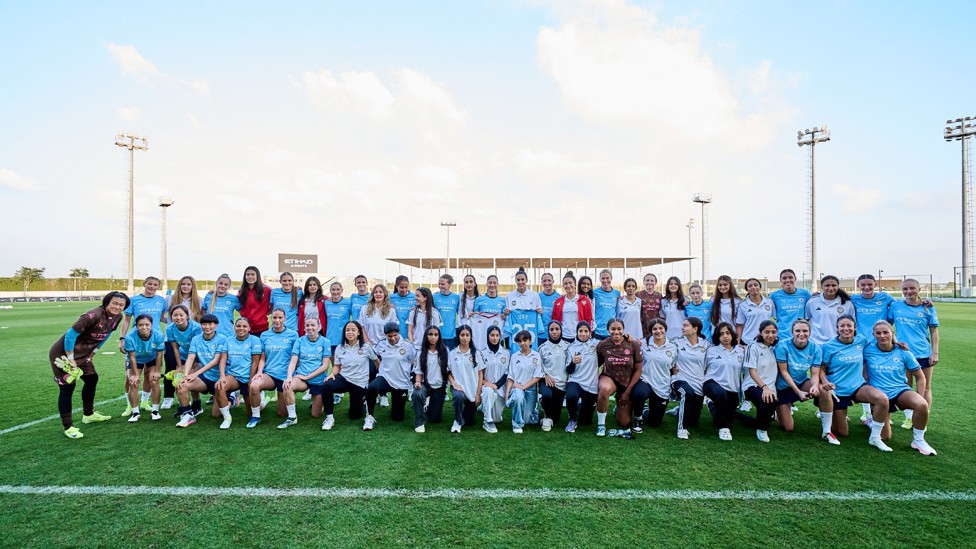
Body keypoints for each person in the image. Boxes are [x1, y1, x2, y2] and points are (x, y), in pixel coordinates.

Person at [49, 291, 129, 438]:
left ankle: (88, 415)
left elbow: (108, 334)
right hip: (63, 354)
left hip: (84, 354)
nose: (117, 307)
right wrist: (71, 358)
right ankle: (68, 427)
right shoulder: (92, 315)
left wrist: (93, 353)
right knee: (68, 387)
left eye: (121, 305)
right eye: (114, 303)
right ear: (107, 302)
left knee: (92, 378)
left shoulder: (118, 317)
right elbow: (70, 335)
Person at [864, 320, 937, 455]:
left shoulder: (904, 352)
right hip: (879, 395)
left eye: (886, 332)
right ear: (873, 335)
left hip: (899, 390)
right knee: (885, 437)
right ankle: (872, 420)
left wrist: (919, 397)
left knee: (921, 405)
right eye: (878, 333)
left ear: (893, 333)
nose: (882, 336)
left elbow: (920, 377)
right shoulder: (867, 350)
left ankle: (918, 440)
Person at [816, 315, 889, 448]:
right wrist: (825, 381)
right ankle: (828, 413)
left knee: (882, 399)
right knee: (842, 432)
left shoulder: (861, 340)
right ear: (837, 328)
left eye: (849, 325)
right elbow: (821, 368)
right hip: (837, 390)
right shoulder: (828, 346)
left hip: (858, 386)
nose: (846, 328)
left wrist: (897, 344)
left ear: (855, 328)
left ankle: (875, 437)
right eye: (842, 326)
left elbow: (879, 345)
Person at [888, 278, 939, 429]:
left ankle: (923, 416)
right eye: (905, 289)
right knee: (906, 386)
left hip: (923, 353)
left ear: (919, 289)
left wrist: (935, 353)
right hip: (903, 353)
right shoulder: (896, 306)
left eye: (912, 288)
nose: (908, 292)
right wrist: (894, 342)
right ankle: (910, 418)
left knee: (926, 386)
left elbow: (934, 332)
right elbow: (887, 326)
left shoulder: (928, 308)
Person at [118, 276, 167, 416]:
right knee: (130, 377)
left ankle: (145, 401)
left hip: (154, 340)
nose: (152, 287)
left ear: (158, 287)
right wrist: (122, 338)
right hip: (136, 341)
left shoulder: (160, 300)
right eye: (149, 284)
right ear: (144, 284)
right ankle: (130, 405)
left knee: (149, 375)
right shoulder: (134, 300)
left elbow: (162, 317)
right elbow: (127, 320)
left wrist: (176, 321)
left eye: (155, 285)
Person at [773, 319, 826, 438]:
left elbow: (814, 374)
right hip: (782, 387)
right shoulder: (783, 345)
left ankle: (827, 428)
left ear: (810, 333)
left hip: (801, 382)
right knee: (788, 428)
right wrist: (798, 392)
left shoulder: (815, 348)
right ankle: (777, 409)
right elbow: (784, 372)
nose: (801, 334)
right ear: (792, 332)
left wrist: (814, 386)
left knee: (823, 391)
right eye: (798, 331)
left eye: (805, 331)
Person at [174, 314, 229, 428]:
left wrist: (196, 373)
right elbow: (190, 357)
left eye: (210, 324)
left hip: (220, 378)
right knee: (182, 386)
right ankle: (188, 415)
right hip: (206, 377)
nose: (207, 327)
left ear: (216, 325)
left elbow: (215, 361)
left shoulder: (222, 339)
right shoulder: (196, 339)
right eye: (204, 324)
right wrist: (185, 376)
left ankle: (231, 398)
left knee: (216, 414)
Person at [321, 321, 377, 431]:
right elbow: (337, 366)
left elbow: (376, 361)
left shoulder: (366, 347)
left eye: (353, 330)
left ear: (359, 332)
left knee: (354, 415)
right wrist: (332, 374)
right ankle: (329, 418)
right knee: (327, 385)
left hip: (359, 382)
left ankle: (363, 403)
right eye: (347, 330)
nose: (350, 332)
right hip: (344, 379)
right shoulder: (340, 348)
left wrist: (378, 376)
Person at [278, 317, 332, 429]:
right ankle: (292, 417)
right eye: (307, 325)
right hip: (301, 378)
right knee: (287, 386)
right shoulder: (299, 341)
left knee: (315, 414)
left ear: (319, 326)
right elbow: (293, 361)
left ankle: (317, 401)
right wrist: (289, 377)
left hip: (317, 380)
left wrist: (308, 377)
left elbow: (325, 366)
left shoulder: (325, 342)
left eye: (313, 325)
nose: (310, 328)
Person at [595, 318, 643, 437]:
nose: (616, 332)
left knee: (624, 423)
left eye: (619, 329)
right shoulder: (603, 345)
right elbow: (595, 364)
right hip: (610, 378)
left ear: (623, 330)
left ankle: (618, 408)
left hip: (626, 382)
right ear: (608, 330)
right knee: (604, 389)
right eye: (613, 329)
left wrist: (627, 392)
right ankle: (601, 425)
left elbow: (638, 369)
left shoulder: (633, 344)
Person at [251, 309, 299, 423]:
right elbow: (263, 357)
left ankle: (266, 401)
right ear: (271, 318)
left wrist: (291, 376)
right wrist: (259, 372)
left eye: (280, 318)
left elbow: (295, 358)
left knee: (281, 414)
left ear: (285, 318)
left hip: (285, 376)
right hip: (270, 374)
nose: (277, 320)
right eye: (274, 317)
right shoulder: (264, 335)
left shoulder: (293, 335)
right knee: (254, 385)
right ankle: (255, 416)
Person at [366, 322, 417, 429]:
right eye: (389, 336)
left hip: (401, 382)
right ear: (385, 335)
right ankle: (369, 416)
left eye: (395, 335)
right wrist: (378, 369)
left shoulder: (407, 345)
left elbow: (414, 361)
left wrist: (411, 376)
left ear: (398, 333)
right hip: (385, 378)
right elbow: (374, 355)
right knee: (372, 388)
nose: (393, 338)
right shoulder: (381, 344)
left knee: (397, 418)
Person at [161, 276, 202, 408]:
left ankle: (196, 401)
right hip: (175, 338)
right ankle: (168, 397)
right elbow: (160, 314)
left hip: (192, 341)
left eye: (188, 284)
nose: (185, 286)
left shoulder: (198, 301)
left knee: (192, 370)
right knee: (172, 367)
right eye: (183, 284)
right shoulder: (169, 299)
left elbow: (202, 317)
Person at [702, 322, 744, 441]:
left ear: (732, 334)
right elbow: (702, 368)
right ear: (717, 337)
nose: (725, 336)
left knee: (722, 416)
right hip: (712, 383)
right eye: (721, 334)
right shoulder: (711, 350)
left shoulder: (741, 351)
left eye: (727, 333)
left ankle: (711, 404)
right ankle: (724, 429)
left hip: (732, 389)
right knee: (720, 396)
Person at [218, 317, 263, 429]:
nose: (241, 328)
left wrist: (250, 380)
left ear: (249, 328)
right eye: (238, 326)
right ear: (234, 327)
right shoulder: (228, 340)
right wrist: (222, 377)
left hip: (248, 376)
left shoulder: (255, 340)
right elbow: (223, 359)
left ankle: (261, 403)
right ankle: (227, 418)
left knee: (250, 413)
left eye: (244, 326)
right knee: (219, 387)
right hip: (234, 376)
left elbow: (255, 363)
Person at [633, 319, 676, 433]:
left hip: (662, 383)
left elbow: (673, 366)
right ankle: (638, 418)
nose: (658, 331)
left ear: (665, 329)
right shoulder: (642, 343)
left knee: (654, 423)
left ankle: (645, 410)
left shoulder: (672, 347)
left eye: (660, 328)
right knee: (639, 394)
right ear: (651, 331)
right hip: (645, 379)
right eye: (655, 329)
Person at [671, 317, 711, 440]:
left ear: (695, 329)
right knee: (687, 393)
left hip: (698, 383)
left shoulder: (706, 344)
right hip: (680, 379)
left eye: (686, 325)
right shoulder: (676, 342)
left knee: (693, 422)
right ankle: (682, 429)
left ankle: (679, 410)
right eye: (683, 325)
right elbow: (664, 351)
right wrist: (672, 368)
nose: (682, 328)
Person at [740, 320, 779, 442]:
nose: (770, 335)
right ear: (760, 333)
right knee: (769, 401)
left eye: (773, 332)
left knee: (768, 415)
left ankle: (735, 415)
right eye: (767, 332)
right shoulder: (753, 346)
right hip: (752, 385)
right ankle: (762, 430)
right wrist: (764, 387)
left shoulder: (776, 348)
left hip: (770, 388)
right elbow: (752, 371)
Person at [123, 314, 166, 422]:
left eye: (147, 324)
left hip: (152, 358)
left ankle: (155, 411)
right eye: (140, 325)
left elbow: (159, 354)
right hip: (136, 359)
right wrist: (136, 375)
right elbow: (132, 357)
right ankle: (135, 412)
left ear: (151, 325)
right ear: (136, 326)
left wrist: (157, 371)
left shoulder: (158, 335)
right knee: (133, 382)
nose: (144, 327)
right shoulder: (129, 337)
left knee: (154, 381)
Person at [411, 326, 450, 433]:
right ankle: (419, 422)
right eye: (430, 334)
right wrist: (418, 382)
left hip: (439, 386)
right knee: (417, 393)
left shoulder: (445, 351)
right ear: (426, 336)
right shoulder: (421, 352)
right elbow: (418, 372)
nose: (433, 337)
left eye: (435, 335)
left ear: (439, 337)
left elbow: (449, 371)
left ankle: (427, 405)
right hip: (425, 385)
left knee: (435, 419)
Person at [447, 325, 484, 433]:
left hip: (472, 390)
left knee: (470, 421)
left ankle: (470, 410)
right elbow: (448, 372)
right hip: (459, 388)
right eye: (462, 335)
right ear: (458, 336)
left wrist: (478, 393)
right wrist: (454, 384)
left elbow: (480, 373)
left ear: (471, 337)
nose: (465, 338)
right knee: (458, 396)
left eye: (467, 335)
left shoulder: (476, 353)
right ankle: (457, 422)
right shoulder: (453, 353)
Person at [506, 330, 543, 434]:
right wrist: (506, 395)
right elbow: (511, 377)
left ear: (530, 341)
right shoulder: (514, 356)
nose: (522, 343)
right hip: (517, 388)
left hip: (530, 390)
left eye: (525, 340)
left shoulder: (536, 356)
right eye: (520, 341)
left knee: (527, 421)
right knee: (518, 396)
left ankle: (534, 410)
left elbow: (537, 376)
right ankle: (516, 425)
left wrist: (524, 387)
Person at [565, 321, 598, 432]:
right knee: (571, 396)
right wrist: (573, 362)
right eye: (580, 331)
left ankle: (580, 407)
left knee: (586, 421)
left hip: (591, 385)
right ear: (577, 332)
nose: (583, 334)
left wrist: (627, 336)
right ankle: (572, 418)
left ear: (590, 332)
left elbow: (612, 342)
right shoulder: (571, 347)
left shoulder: (596, 344)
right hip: (576, 381)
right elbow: (569, 370)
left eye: (586, 331)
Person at [538, 321, 570, 431]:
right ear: (548, 331)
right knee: (547, 396)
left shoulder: (567, 347)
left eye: (557, 329)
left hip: (561, 384)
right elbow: (538, 366)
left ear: (561, 331)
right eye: (551, 330)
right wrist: (545, 375)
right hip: (547, 382)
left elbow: (570, 366)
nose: (554, 332)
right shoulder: (543, 347)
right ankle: (545, 412)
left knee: (555, 420)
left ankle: (547, 408)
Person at [805, 275, 854, 344]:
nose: (830, 288)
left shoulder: (847, 304)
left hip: (838, 343)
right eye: (827, 285)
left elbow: (852, 324)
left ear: (838, 286)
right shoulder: (812, 302)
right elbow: (806, 321)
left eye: (834, 285)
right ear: (822, 287)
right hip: (815, 343)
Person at [477, 325, 508, 433]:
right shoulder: (481, 353)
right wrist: (485, 382)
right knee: (488, 391)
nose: (494, 338)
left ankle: (483, 407)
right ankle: (487, 421)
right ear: (487, 336)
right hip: (486, 387)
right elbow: (478, 372)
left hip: (500, 389)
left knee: (497, 419)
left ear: (500, 337)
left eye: (497, 335)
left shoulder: (506, 353)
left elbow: (508, 373)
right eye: (492, 335)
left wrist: (497, 385)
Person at [504, 267, 543, 349]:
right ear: (515, 281)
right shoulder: (509, 296)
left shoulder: (534, 295)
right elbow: (506, 317)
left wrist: (539, 312)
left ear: (526, 280)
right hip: (515, 338)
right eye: (518, 280)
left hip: (531, 336)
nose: (520, 282)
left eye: (522, 279)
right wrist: (506, 313)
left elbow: (539, 314)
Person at [551, 271, 593, 343]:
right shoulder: (558, 301)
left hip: (579, 336)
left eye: (570, 283)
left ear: (575, 284)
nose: (568, 285)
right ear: (563, 286)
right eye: (565, 283)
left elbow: (589, 319)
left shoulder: (585, 300)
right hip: (563, 337)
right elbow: (554, 320)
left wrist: (587, 334)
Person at [769, 268, 811, 333]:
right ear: (780, 280)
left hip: (800, 334)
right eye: (784, 278)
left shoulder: (805, 294)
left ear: (795, 279)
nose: (788, 280)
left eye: (790, 277)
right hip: (782, 334)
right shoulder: (774, 296)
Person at [735, 278, 774, 344]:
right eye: (750, 286)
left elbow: (775, 320)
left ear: (760, 287)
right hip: (748, 341)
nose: (753, 287)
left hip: (765, 340)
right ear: (747, 289)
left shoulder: (769, 302)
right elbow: (739, 325)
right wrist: (738, 343)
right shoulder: (743, 305)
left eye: (756, 285)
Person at [202, 274, 241, 338]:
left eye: (226, 284)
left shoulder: (233, 299)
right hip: (210, 335)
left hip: (227, 335)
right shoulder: (209, 296)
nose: (222, 286)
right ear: (216, 284)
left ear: (229, 286)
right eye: (220, 283)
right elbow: (203, 315)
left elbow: (243, 313)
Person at [238, 266, 272, 335]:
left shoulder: (267, 290)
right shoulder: (241, 291)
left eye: (253, 274)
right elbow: (238, 306)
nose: (250, 277)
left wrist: (263, 313)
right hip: (245, 328)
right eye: (248, 274)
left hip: (262, 328)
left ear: (257, 276)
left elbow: (274, 304)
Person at [432, 274, 461, 349]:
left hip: (451, 335)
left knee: (450, 358)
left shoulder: (456, 298)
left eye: (443, 284)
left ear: (450, 284)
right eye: (439, 284)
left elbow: (460, 314)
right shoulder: (434, 297)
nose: (440, 286)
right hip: (436, 335)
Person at [591, 269, 620, 341]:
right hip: (597, 331)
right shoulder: (594, 292)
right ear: (600, 279)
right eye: (603, 278)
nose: (605, 280)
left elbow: (617, 312)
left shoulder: (617, 293)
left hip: (611, 331)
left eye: (607, 278)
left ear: (611, 279)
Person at [324, 281, 352, 356]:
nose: (335, 292)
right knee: (334, 365)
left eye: (338, 289)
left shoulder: (348, 303)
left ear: (341, 290)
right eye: (333, 290)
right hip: (330, 339)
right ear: (330, 291)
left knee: (344, 365)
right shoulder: (326, 303)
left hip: (344, 339)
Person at [636, 273, 663, 338]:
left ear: (655, 282)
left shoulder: (659, 296)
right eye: (647, 280)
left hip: (655, 328)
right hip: (641, 328)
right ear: (644, 282)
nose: (649, 282)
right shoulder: (638, 295)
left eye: (652, 280)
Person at [537, 272, 561, 342]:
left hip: (555, 334)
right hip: (540, 334)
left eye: (549, 280)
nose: (547, 283)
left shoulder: (559, 298)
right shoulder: (537, 297)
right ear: (541, 282)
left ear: (553, 281)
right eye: (544, 281)